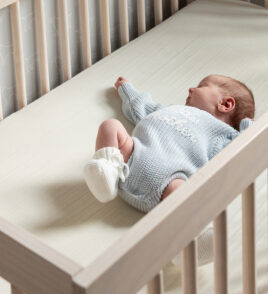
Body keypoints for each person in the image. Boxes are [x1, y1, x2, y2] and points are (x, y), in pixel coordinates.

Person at [84, 74, 255, 212]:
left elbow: (242, 153)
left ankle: (194, 235)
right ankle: (105, 173)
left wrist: (249, 129)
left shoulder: (222, 134)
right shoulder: (170, 110)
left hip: (168, 180)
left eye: (202, 85)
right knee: (110, 126)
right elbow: (140, 106)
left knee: (183, 193)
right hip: (129, 158)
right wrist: (127, 89)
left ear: (225, 104)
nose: (191, 88)